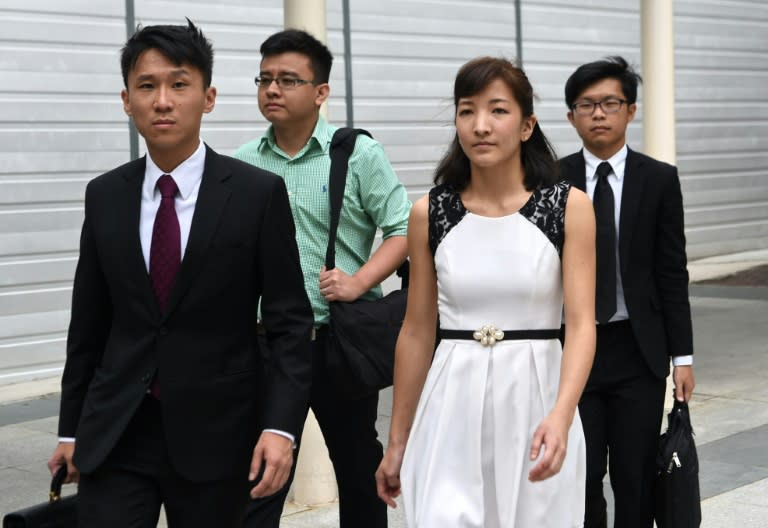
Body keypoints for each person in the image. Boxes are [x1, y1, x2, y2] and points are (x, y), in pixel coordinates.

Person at [46, 20, 314, 527]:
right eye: (146, 86)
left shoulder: (257, 195)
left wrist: (281, 428)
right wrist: (71, 430)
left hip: (219, 434)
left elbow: (289, 326)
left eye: (179, 84)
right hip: (119, 429)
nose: (162, 101)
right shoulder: (104, 196)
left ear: (208, 97)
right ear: (127, 101)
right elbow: (89, 326)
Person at [376, 56, 597, 527]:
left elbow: (581, 325)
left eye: (497, 110)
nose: (480, 125)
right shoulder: (429, 212)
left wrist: (561, 416)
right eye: (466, 110)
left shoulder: (567, 207)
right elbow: (416, 332)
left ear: (526, 125)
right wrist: (398, 441)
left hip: (538, 400)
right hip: (450, 400)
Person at [234, 29, 410, 528]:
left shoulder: (356, 154)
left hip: (340, 340)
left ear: (321, 92)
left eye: (288, 79)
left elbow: (403, 228)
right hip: (267, 344)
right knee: (260, 478)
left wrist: (359, 280)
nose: (272, 89)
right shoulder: (243, 162)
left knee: (357, 470)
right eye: (265, 79)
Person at [559, 56, 696, 528]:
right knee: (581, 472)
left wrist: (682, 358)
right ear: (571, 115)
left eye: (610, 103)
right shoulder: (550, 181)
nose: (599, 113)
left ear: (630, 111)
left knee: (634, 476)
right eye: (586, 104)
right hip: (573, 349)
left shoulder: (658, 179)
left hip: (638, 351)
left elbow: (671, 272)